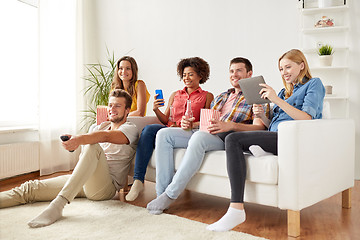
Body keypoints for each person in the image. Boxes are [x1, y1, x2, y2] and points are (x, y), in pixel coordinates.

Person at [206, 49, 325, 232]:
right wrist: (263, 116)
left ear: (301, 65)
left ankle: (236, 209)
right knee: (226, 134)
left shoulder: (314, 84)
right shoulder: (285, 92)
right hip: (275, 135)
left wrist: (275, 99)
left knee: (233, 139)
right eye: (281, 69)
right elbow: (273, 125)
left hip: (291, 139)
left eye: (288, 67)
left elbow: (307, 118)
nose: (284, 72)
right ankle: (259, 149)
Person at [146, 57, 270, 215]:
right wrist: (191, 124)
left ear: (249, 73)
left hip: (227, 137)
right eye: (231, 71)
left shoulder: (257, 96)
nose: (234, 74)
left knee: (199, 138)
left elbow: (259, 127)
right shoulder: (222, 96)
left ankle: (170, 194)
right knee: (164, 134)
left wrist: (231, 125)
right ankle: (161, 194)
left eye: (239, 70)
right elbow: (207, 121)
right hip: (207, 131)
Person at [0, 89, 139, 228]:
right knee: (30, 188)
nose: (112, 109)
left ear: (127, 110)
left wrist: (80, 139)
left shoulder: (130, 129)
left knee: (92, 146)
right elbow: (89, 149)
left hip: (105, 188)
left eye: (118, 106)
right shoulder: (99, 127)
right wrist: (73, 143)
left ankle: (58, 205)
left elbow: (106, 136)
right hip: (85, 180)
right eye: (110, 105)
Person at [125, 57, 214, 201]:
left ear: (200, 75)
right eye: (184, 75)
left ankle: (163, 192)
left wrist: (192, 124)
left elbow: (206, 120)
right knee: (148, 130)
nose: (186, 78)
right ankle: (138, 180)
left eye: (191, 74)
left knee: (162, 133)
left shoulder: (207, 96)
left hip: (187, 132)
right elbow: (166, 119)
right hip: (168, 129)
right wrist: (155, 110)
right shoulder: (176, 94)